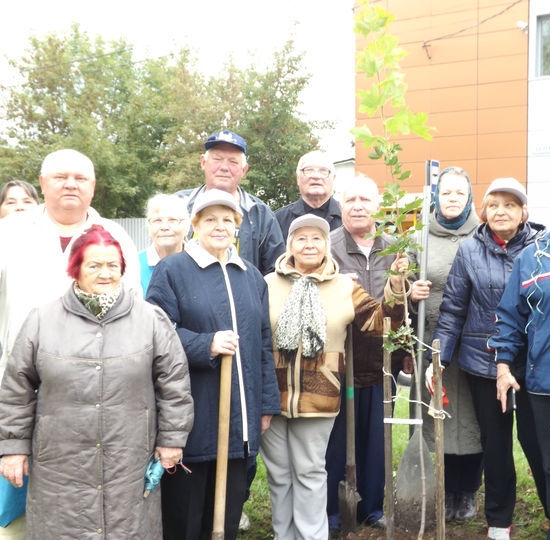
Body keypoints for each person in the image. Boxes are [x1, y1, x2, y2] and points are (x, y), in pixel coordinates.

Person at [0, 224, 194, 539]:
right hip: (58, 463)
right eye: (94, 265)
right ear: (75, 269)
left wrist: (171, 441)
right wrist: (13, 448)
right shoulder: (41, 320)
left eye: (112, 266)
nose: (105, 273)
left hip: (128, 461)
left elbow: (174, 387)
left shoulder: (150, 320)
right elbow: (16, 389)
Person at [0, 149, 140, 539]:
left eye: (80, 178)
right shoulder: (10, 233)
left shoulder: (116, 238)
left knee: (86, 497)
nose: (70, 184)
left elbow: (134, 318)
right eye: (60, 177)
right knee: (14, 490)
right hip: (18, 387)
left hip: (95, 395)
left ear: (93, 187)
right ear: (42, 184)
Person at [261, 213, 410, 539]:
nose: (309, 244)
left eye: (316, 238)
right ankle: (283, 535)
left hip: (320, 395)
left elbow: (383, 324)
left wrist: (396, 287)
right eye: (301, 238)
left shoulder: (345, 287)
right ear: (290, 245)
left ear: (327, 245)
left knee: (310, 471)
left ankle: (311, 535)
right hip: (271, 394)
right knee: (278, 473)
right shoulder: (267, 284)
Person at [146, 188, 281, 540]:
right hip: (193, 416)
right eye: (210, 219)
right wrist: (205, 343)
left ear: (237, 226)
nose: (219, 226)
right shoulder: (172, 270)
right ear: (195, 225)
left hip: (241, 420)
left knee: (226, 517)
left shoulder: (250, 275)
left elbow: (264, 343)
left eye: (227, 220)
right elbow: (157, 334)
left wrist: (265, 404)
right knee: (185, 520)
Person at [432, 177, 548, 540]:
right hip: (484, 364)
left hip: (533, 366)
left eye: (510, 205)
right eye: (494, 204)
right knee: (496, 447)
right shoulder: (469, 250)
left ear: (524, 212)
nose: (501, 211)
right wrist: (439, 359)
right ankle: (499, 521)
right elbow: (452, 309)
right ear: (483, 211)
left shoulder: (539, 248)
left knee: (537, 444)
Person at [325, 175, 411, 533]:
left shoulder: (396, 248)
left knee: (376, 440)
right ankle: (331, 510)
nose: (357, 205)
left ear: (377, 206)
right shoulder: (327, 246)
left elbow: (404, 305)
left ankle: (372, 507)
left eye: (364, 199)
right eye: (350, 199)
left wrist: (405, 349)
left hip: (381, 363)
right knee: (333, 443)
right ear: (340, 206)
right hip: (336, 364)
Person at [409, 166, 483, 522]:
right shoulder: (418, 236)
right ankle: (437, 486)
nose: (452, 198)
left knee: (469, 419)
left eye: (459, 193)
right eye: (446, 192)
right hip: (431, 342)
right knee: (433, 415)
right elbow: (400, 279)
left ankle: (465, 491)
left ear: (469, 197)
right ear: (435, 196)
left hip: (472, 345)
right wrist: (409, 291)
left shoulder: (482, 236)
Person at [489, 228, 550, 540]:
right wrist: (503, 365)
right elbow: (510, 316)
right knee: (545, 463)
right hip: (543, 381)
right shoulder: (534, 257)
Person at [175, 129, 285, 275]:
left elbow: (275, 271)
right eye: (217, 159)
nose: (224, 167)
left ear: (244, 169)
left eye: (233, 162)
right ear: (203, 162)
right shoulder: (178, 205)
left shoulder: (261, 215)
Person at [275, 150, 342, 241]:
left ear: (333, 179)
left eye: (323, 171)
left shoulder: (348, 218)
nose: (316, 176)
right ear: (298, 178)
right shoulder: (277, 220)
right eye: (309, 170)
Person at [138, 193, 190, 294]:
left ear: (187, 226)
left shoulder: (200, 262)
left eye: (172, 220)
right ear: (149, 226)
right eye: (157, 220)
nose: (164, 227)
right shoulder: (134, 265)